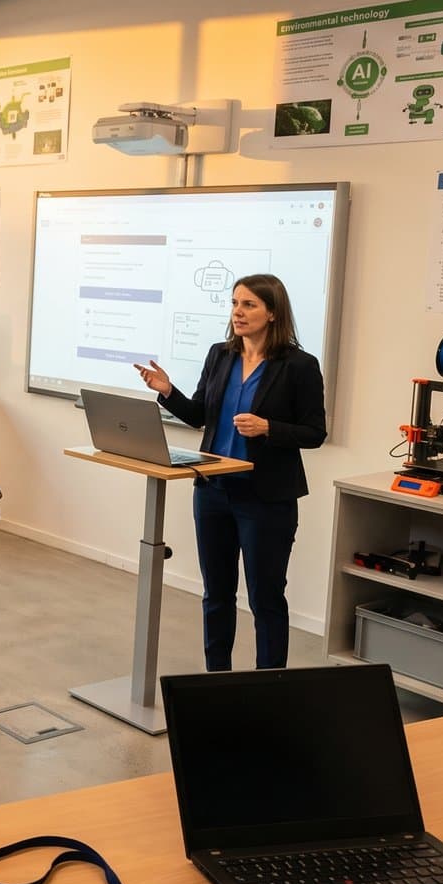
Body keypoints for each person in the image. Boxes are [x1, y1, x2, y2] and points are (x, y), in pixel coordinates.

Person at [135, 273, 326, 671]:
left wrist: (268, 427)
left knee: (265, 599)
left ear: (272, 313)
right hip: (212, 492)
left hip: (265, 498)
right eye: (235, 304)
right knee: (216, 595)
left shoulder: (299, 366)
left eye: (249, 305)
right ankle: (216, 680)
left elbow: (314, 432)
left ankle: (268, 686)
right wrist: (167, 391)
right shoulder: (220, 355)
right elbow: (199, 415)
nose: (238, 312)